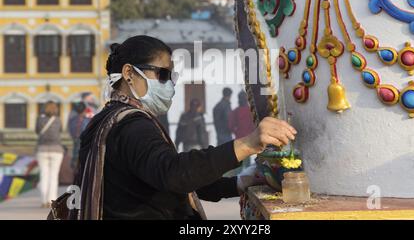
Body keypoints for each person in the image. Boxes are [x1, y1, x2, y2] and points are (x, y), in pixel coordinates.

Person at [70, 35, 296, 220]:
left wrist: (238, 183)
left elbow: (160, 179)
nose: (169, 84)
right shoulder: (131, 125)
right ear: (129, 73)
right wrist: (247, 144)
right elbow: (174, 174)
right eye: (163, 74)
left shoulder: (105, 120)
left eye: (172, 76)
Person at [35, 101, 64, 208]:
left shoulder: (39, 119)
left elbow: (37, 131)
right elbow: (60, 131)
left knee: (44, 175)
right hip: (56, 150)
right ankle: (51, 200)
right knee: (53, 176)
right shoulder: (58, 119)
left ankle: (43, 200)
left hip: (42, 149)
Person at [228, 91, 257, 170]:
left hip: (240, 140)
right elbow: (254, 126)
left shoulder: (235, 111)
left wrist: (236, 131)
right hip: (247, 139)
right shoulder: (251, 111)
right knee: (245, 162)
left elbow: (231, 126)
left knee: (240, 162)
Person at [67, 101, 90, 174]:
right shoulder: (88, 120)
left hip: (77, 142)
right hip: (83, 143)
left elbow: (70, 131)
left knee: (76, 160)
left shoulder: (72, 120)